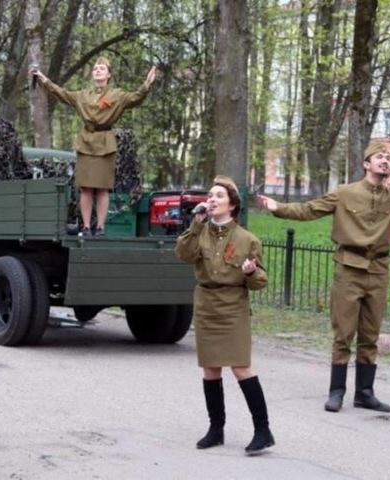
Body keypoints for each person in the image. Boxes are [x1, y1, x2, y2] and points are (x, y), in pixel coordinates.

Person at [257, 142, 390, 413]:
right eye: (379, 157)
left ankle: (365, 393)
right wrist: (278, 207)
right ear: (366, 164)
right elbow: (310, 209)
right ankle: (337, 392)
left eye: (388, 157)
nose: (385, 161)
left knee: (370, 335)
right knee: (343, 334)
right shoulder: (346, 193)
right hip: (349, 268)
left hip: (378, 270)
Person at [175, 175, 275, 456]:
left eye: (219, 196)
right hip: (206, 305)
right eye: (210, 195)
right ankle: (216, 429)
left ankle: (263, 430)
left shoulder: (247, 240)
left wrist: (251, 273)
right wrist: (196, 223)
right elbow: (183, 254)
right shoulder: (200, 231)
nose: (212, 199)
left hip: (232, 307)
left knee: (241, 366)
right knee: (210, 368)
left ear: (232, 205)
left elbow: (261, 281)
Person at [30, 58, 157, 236]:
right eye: (95, 68)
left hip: (105, 143)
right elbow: (60, 93)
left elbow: (135, 98)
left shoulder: (117, 95)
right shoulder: (82, 95)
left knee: (103, 188)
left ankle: (100, 227)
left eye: (102, 68)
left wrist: (146, 84)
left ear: (109, 74)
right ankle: (87, 226)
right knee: (86, 188)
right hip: (86, 143)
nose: (97, 70)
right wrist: (43, 79)